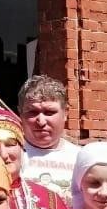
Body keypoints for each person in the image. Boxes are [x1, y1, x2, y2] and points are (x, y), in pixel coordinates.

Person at [18, 74, 81, 202]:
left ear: (65, 114)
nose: (41, 121)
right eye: (32, 112)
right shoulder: (10, 157)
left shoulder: (81, 157)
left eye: (49, 112)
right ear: (20, 114)